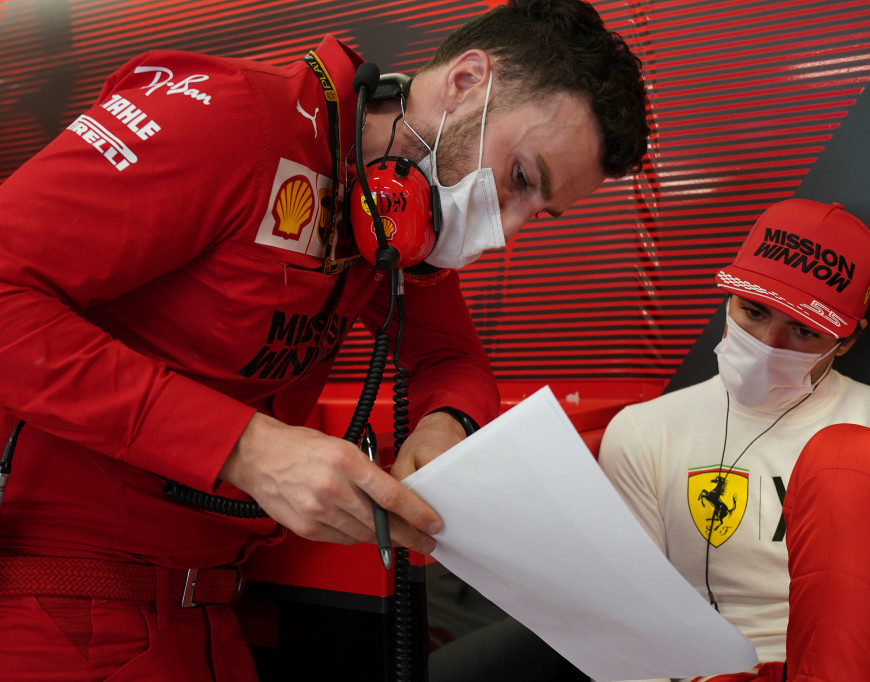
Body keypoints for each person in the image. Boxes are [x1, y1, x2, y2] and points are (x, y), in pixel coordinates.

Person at [0, 0, 650, 678]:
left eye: (537, 212)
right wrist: (245, 447)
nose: (506, 230)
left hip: (206, 612)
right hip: (56, 601)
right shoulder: (232, 118)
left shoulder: (397, 209)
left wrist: (445, 427)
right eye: (518, 178)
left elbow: (450, 357)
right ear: (466, 83)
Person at [598, 198, 870, 682]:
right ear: (728, 298)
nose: (768, 345)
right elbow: (626, 627)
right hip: (713, 675)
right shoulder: (644, 432)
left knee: (850, 459)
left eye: (803, 331)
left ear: (847, 340)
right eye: (753, 311)